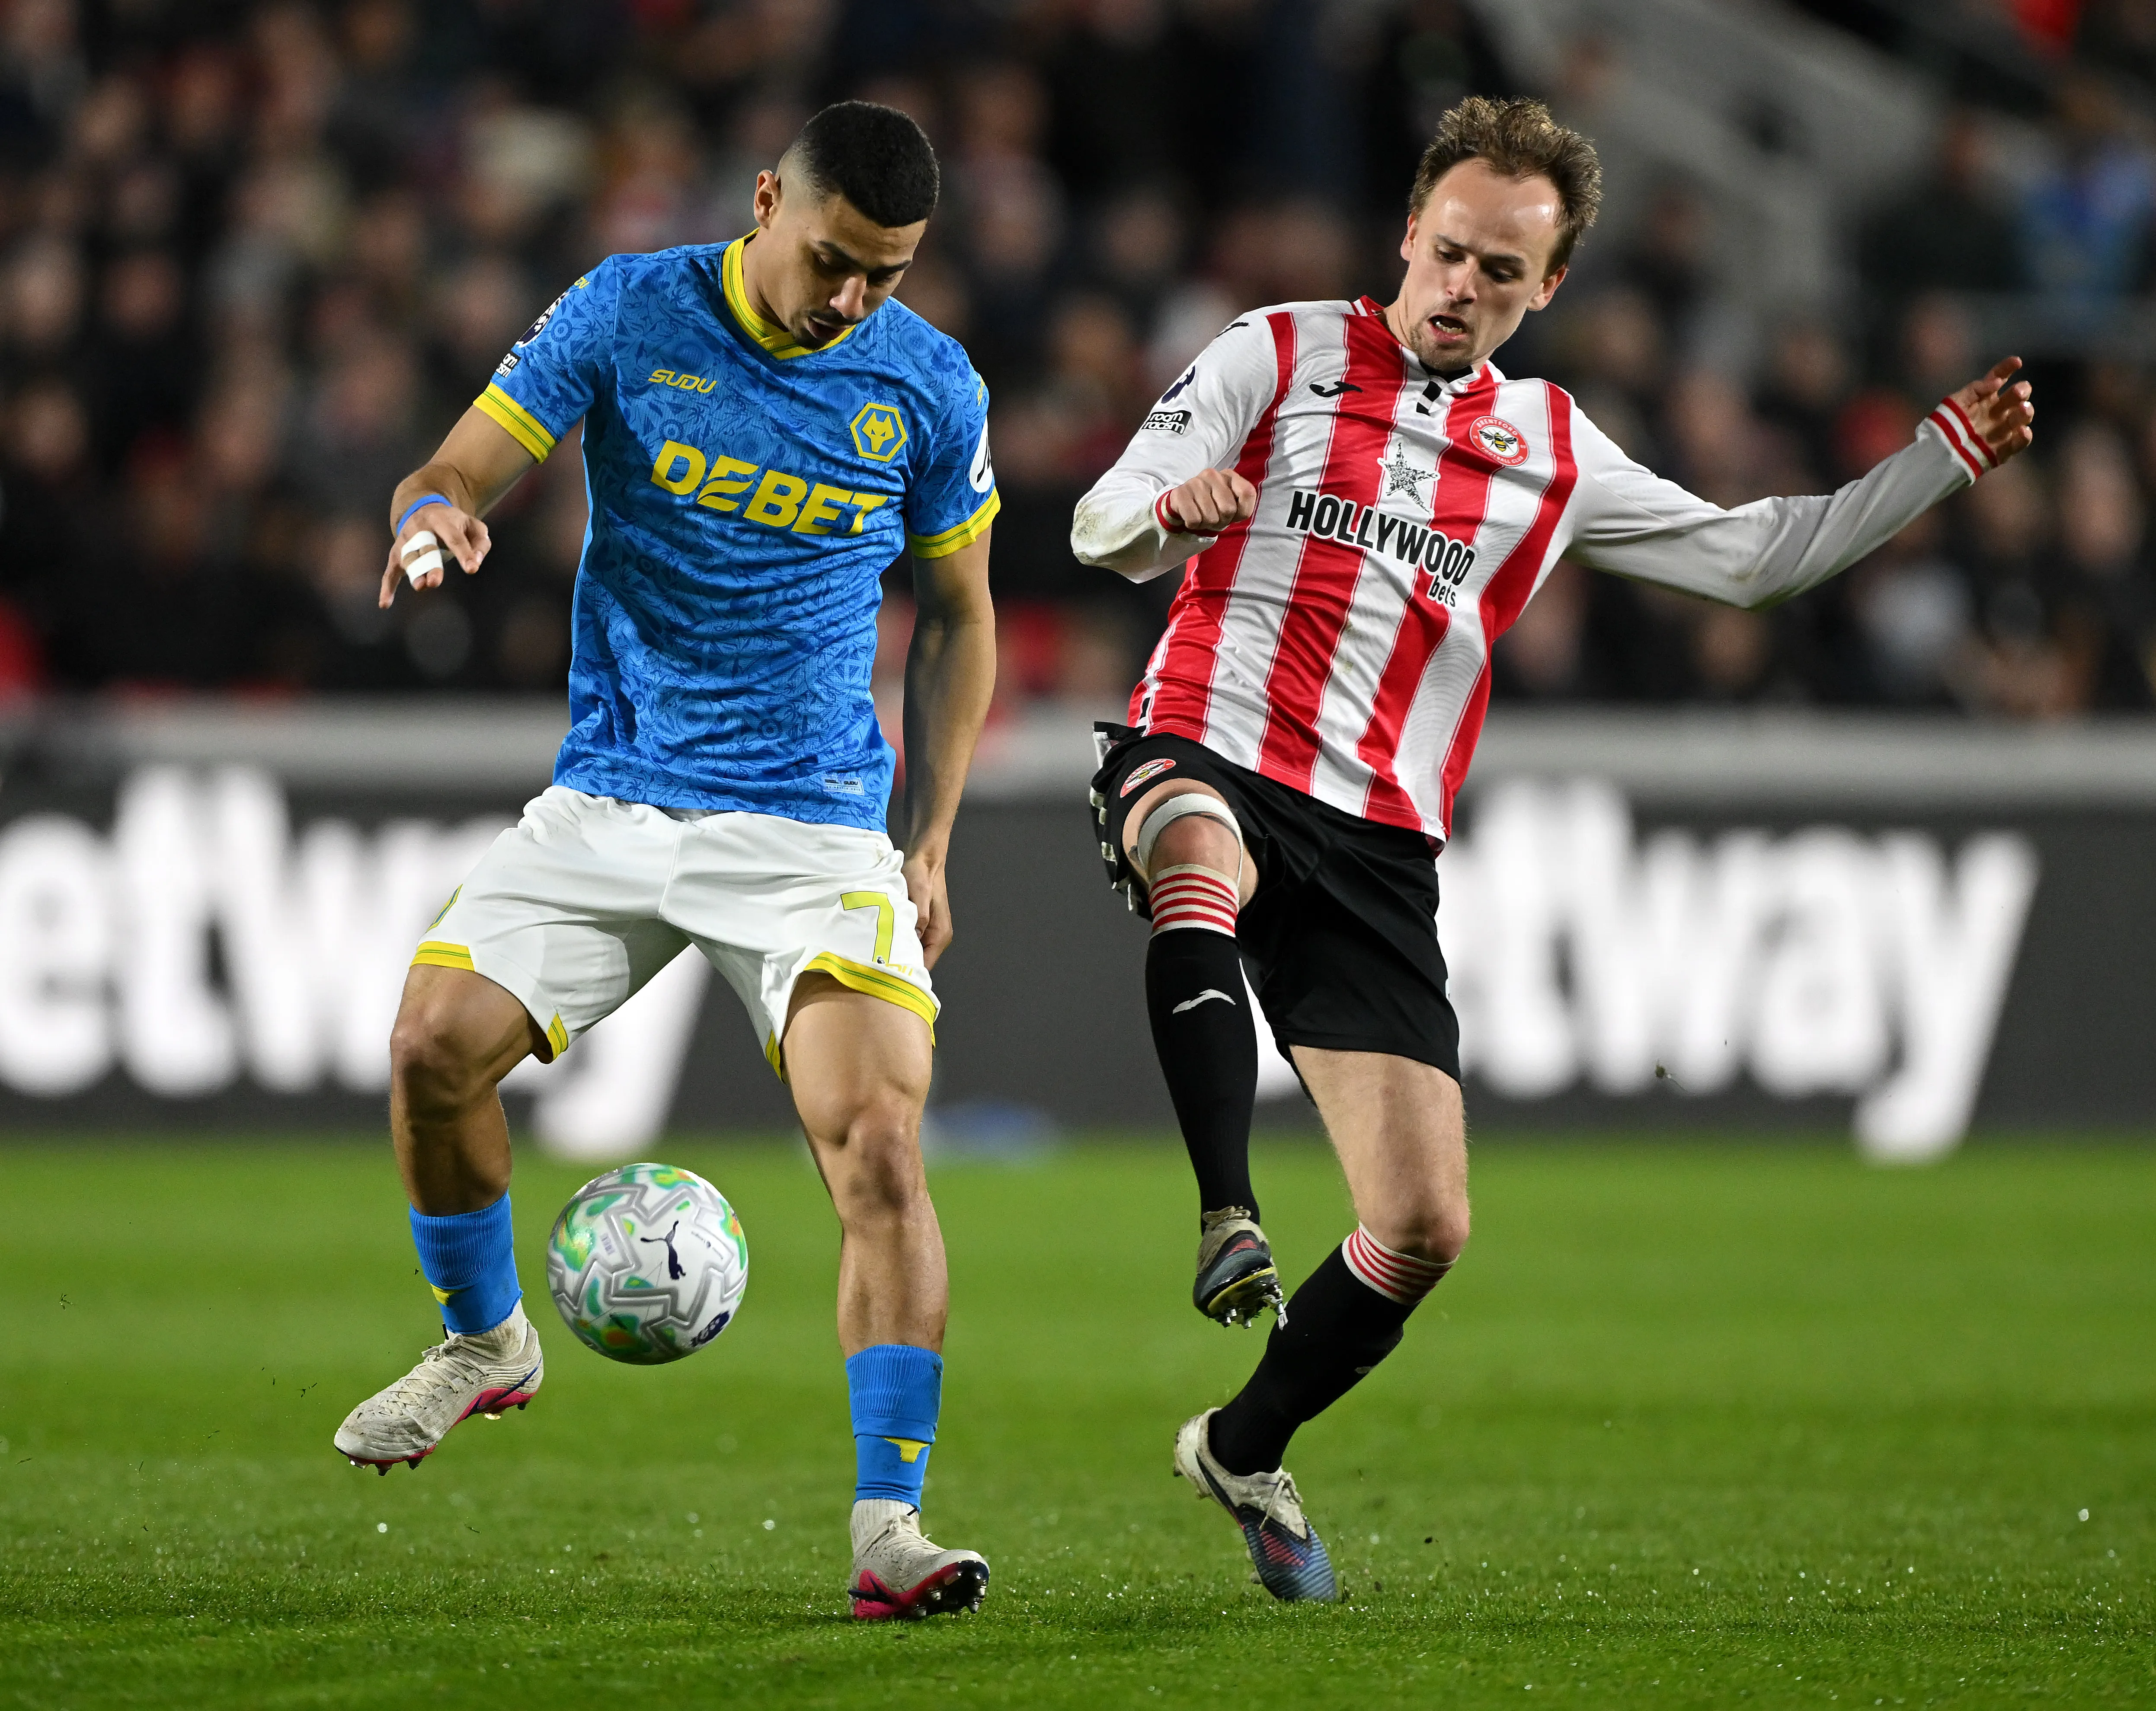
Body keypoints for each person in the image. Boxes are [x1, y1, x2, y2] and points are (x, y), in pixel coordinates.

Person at [1071, 95, 2034, 1603]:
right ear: (1408, 233)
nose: (1464, 289)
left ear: (1550, 287)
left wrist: (1935, 459)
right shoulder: (1278, 351)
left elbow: (1758, 562)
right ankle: (1226, 1211)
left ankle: (1244, 1443)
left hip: (1378, 839)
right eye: (1448, 252)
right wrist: (1168, 517)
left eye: (1501, 274)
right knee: (1194, 856)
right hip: (1207, 742)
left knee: (1424, 1225)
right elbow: (1098, 522)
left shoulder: (1551, 448)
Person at [332, 102, 1001, 1623]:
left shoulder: (928, 384)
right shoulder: (631, 309)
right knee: (432, 1047)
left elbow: (960, 619)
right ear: (766, 199)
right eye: (833, 260)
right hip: (618, 794)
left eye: (885, 276)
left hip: (815, 822)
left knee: (881, 1147)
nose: (851, 301)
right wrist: (436, 522)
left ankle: (891, 1523)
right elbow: (452, 468)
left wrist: (934, 833)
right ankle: (487, 1338)